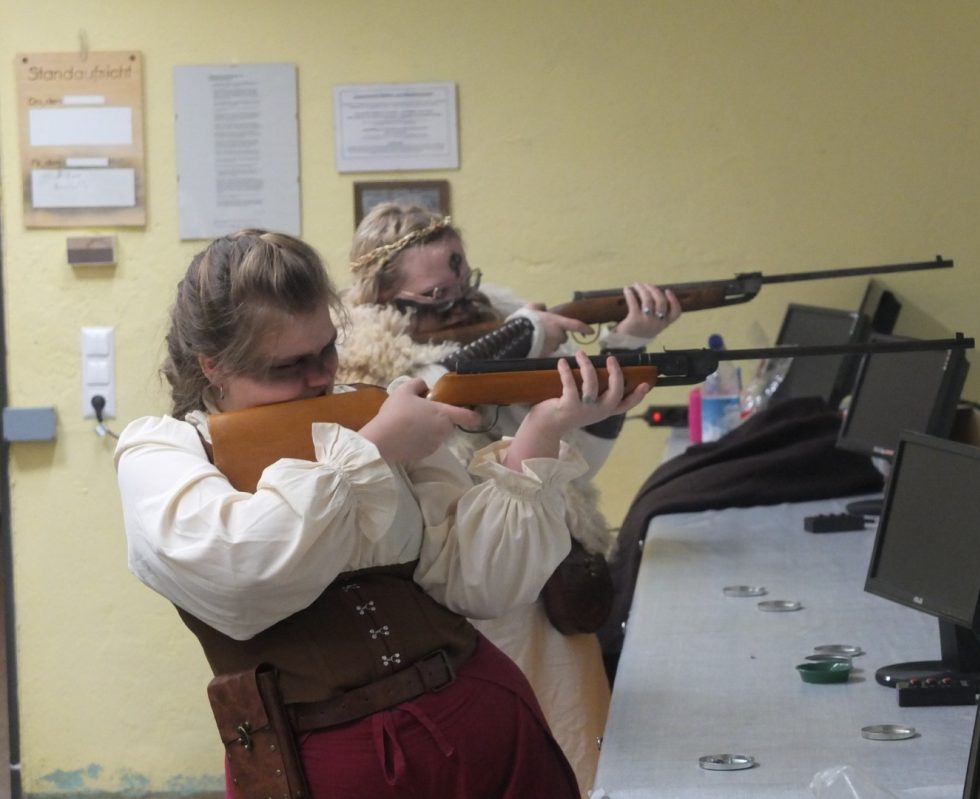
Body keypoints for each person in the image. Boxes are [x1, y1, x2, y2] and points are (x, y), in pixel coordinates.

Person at [114, 229, 649, 799]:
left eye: (326, 350)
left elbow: (479, 583)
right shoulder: (161, 453)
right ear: (212, 366)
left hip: (488, 721)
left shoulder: (370, 409)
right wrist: (371, 451)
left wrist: (543, 430)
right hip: (323, 766)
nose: (320, 377)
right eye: (287, 366)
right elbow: (241, 574)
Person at [335, 204, 681, 794]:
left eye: (462, 280)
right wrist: (519, 336)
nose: (458, 302)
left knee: (579, 753)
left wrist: (629, 343)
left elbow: (573, 470)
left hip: (549, 587)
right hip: (475, 605)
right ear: (381, 296)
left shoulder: (495, 327)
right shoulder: (371, 371)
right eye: (435, 294)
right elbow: (434, 396)